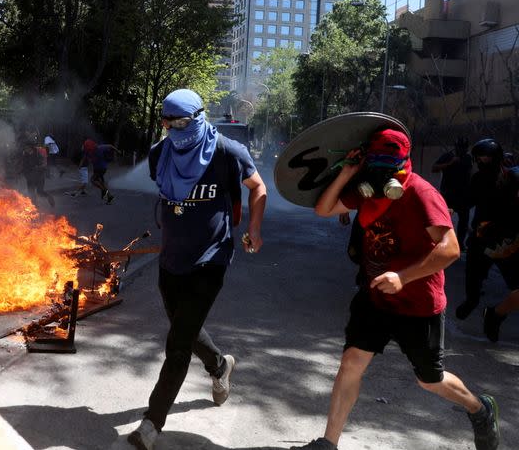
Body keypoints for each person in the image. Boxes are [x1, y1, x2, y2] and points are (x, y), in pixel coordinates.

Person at [292, 128, 499, 450]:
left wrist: (403, 277)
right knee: (351, 363)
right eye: (377, 162)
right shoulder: (365, 189)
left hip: (417, 303)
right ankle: (328, 443)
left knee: (430, 379)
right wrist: (347, 172)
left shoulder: (421, 193)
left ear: (404, 161)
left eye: (389, 164)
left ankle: (479, 409)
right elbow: (324, 209)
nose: (382, 171)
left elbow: (451, 249)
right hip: (374, 297)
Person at [127, 89, 267, 450]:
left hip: (211, 259)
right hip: (172, 259)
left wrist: (254, 229)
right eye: (166, 122)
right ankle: (220, 366)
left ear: (197, 118)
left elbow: (258, 187)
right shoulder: (160, 153)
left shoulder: (226, 151)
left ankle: (151, 423)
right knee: (183, 328)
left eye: (179, 123)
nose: (171, 129)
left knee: (177, 345)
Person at [455, 138, 519, 342]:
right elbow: (467, 201)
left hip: (507, 243)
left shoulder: (513, 178)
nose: (483, 162)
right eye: (480, 159)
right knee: (473, 278)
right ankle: (472, 301)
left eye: (487, 158)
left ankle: (495, 315)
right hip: (482, 239)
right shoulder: (477, 180)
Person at [432, 137, 472, 246]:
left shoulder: (468, 158)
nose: (462, 150)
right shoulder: (448, 156)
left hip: (463, 195)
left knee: (464, 221)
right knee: (444, 219)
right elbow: (434, 168)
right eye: (460, 148)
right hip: (448, 194)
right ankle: (442, 242)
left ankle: (460, 243)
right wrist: (450, 163)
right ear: (456, 147)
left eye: (464, 148)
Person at [18, 128, 55, 208]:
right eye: (24, 148)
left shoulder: (38, 153)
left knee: (40, 192)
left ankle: (49, 197)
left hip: (39, 176)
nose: (25, 149)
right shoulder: (25, 155)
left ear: (30, 147)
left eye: (26, 147)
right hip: (30, 177)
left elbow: (44, 165)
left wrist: (37, 168)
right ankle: (34, 208)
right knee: (31, 193)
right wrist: (21, 172)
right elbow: (24, 166)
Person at [83, 139, 119, 204]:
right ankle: (109, 196)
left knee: (93, 180)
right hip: (98, 169)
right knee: (101, 183)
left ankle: (104, 191)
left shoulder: (100, 148)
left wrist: (118, 151)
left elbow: (110, 146)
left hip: (101, 168)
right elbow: (90, 159)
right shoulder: (91, 151)